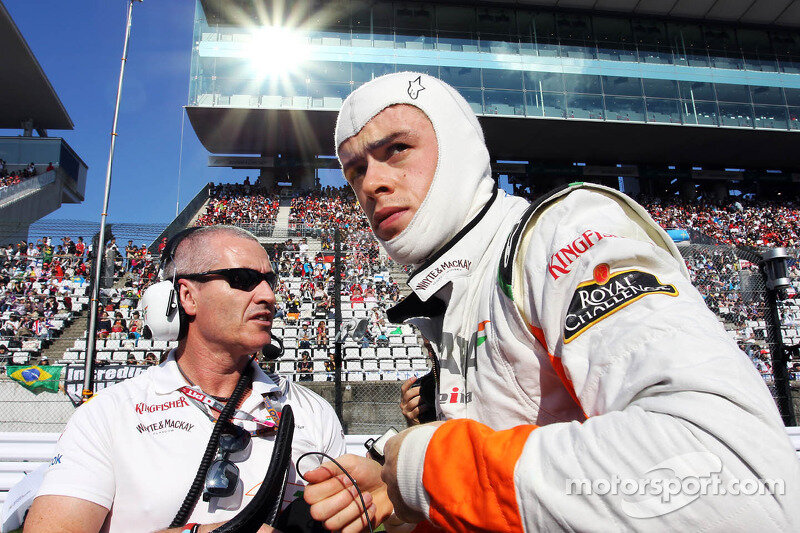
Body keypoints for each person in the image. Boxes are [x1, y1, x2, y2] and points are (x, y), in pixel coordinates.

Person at [302, 72, 800, 531]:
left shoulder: (565, 232)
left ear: (457, 147)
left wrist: (424, 466)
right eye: (354, 171)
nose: (371, 184)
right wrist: (406, 499)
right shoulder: (455, 286)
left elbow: (734, 481)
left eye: (397, 149)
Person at [26, 225, 346, 532]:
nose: (268, 296)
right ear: (188, 297)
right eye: (244, 279)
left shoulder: (312, 412)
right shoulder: (106, 416)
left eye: (269, 281)